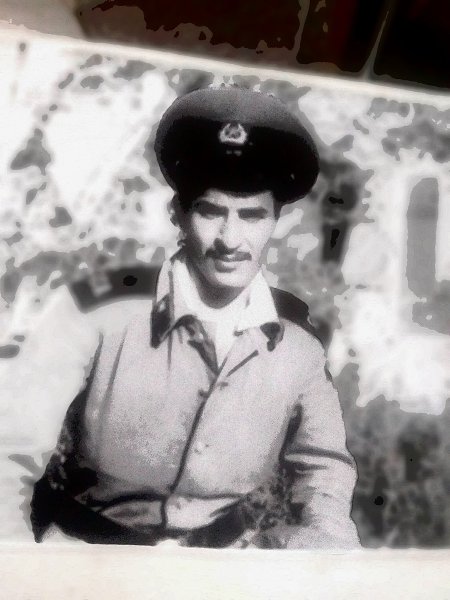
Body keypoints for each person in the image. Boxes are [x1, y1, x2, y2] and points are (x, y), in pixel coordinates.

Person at [20, 86, 359, 548]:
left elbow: (324, 466)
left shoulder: (297, 343)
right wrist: (15, 562)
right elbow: (9, 449)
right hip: (88, 554)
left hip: (220, 565)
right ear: (178, 215)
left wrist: (324, 541)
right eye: (210, 212)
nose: (230, 239)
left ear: (276, 222)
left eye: (252, 216)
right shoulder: (100, 312)